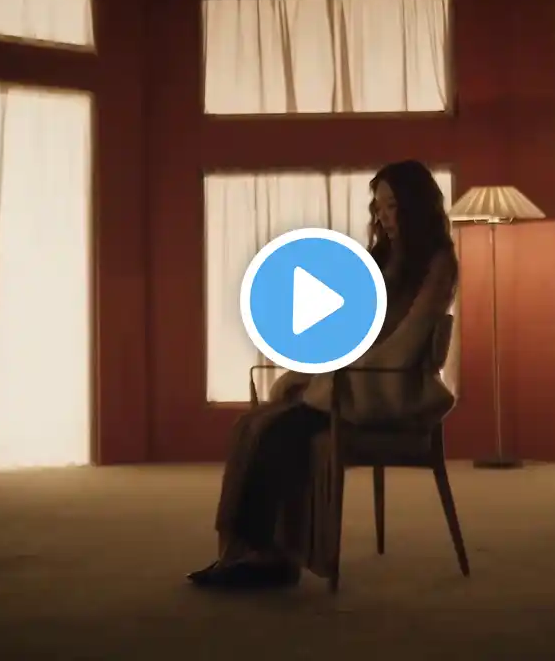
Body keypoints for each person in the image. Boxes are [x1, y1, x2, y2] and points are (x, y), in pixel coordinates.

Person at [188, 160, 460, 590]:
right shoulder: (380, 259)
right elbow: (342, 330)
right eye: (379, 207)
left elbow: (407, 343)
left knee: (279, 432)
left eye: (393, 206)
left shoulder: (438, 262)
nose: (385, 217)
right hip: (349, 382)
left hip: (389, 388)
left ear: (415, 204)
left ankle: (267, 557)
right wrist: (303, 372)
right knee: (251, 426)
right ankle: (245, 551)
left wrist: (335, 378)